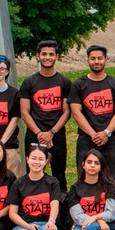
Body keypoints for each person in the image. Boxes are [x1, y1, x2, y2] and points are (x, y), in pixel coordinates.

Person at [19, 41, 74, 187]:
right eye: (44, 54)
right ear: (38, 56)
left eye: (51, 54)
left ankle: (61, 207)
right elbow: (24, 112)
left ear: (56, 57)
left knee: (59, 176)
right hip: (33, 134)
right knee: (33, 174)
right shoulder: (29, 82)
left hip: (57, 135)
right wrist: (40, 134)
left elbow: (67, 111)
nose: (47, 57)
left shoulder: (65, 82)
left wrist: (51, 133)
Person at [71, 45, 115, 186]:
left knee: (113, 179)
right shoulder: (78, 84)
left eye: (100, 58)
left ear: (106, 61)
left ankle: (113, 207)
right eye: (93, 58)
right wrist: (93, 135)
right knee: (85, 177)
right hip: (86, 138)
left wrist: (106, 133)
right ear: (88, 61)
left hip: (111, 138)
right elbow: (76, 112)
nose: (97, 61)